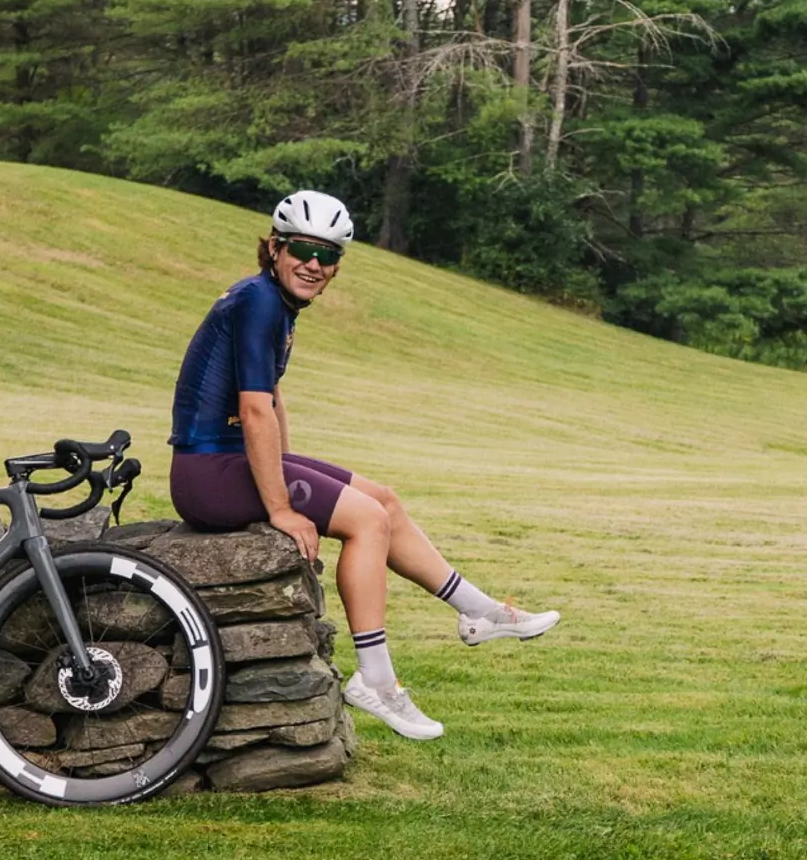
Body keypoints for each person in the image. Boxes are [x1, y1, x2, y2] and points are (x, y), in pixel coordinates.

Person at [167, 190, 560, 740]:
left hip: (229, 460)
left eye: (328, 256)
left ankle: (481, 612)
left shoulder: (273, 302)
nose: (314, 264)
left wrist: (292, 470)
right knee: (367, 521)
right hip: (208, 472)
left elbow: (272, 398)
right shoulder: (258, 301)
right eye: (303, 249)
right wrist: (280, 506)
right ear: (275, 248)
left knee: (383, 499)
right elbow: (252, 410)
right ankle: (375, 679)